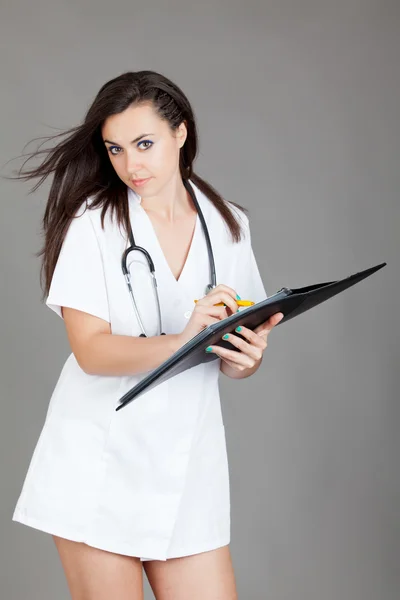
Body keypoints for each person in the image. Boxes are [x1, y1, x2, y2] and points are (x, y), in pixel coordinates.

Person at [10, 70, 283, 600]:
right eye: (115, 149)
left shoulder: (229, 225)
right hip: (98, 463)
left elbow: (233, 345)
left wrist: (244, 358)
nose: (130, 165)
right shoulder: (93, 224)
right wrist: (187, 338)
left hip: (186, 468)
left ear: (180, 133)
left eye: (144, 144)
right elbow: (90, 350)